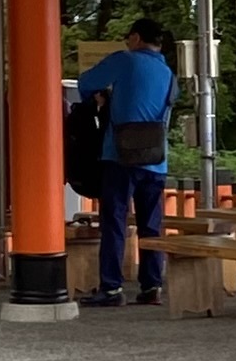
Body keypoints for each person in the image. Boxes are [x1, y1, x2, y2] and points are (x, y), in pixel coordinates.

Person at [74, 19, 178, 306]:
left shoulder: (125, 60)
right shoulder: (169, 74)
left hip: (120, 156)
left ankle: (111, 288)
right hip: (156, 160)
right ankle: (151, 285)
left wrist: (101, 100)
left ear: (135, 38)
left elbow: (86, 82)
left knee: (115, 222)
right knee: (151, 225)